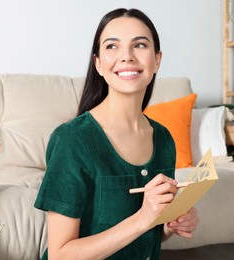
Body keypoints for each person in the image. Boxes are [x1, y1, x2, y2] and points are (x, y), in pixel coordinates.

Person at [34, 8, 199, 260]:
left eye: (140, 45)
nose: (127, 57)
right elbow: (60, 255)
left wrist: (167, 225)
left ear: (157, 59)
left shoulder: (164, 138)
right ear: (98, 63)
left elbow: (149, 230)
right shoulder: (72, 140)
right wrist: (142, 220)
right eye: (112, 46)